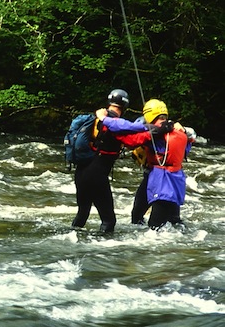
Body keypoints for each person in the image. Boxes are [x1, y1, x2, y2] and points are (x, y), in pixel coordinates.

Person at [97, 99, 195, 230]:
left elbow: (127, 131)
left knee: (154, 226)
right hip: (172, 180)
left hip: (162, 182)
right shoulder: (180, 132)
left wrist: (104, 118)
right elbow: (186, 149)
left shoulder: (156, 132)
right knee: (170, 221)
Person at [71, 89, 146, 232]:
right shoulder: (115, 125)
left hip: (81, 172)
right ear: (124, 107)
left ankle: (70, 242)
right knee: (109, 221)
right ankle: (102, 253)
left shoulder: (96, 118)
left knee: (82, 214)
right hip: (97, 175)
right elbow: (133, 141)